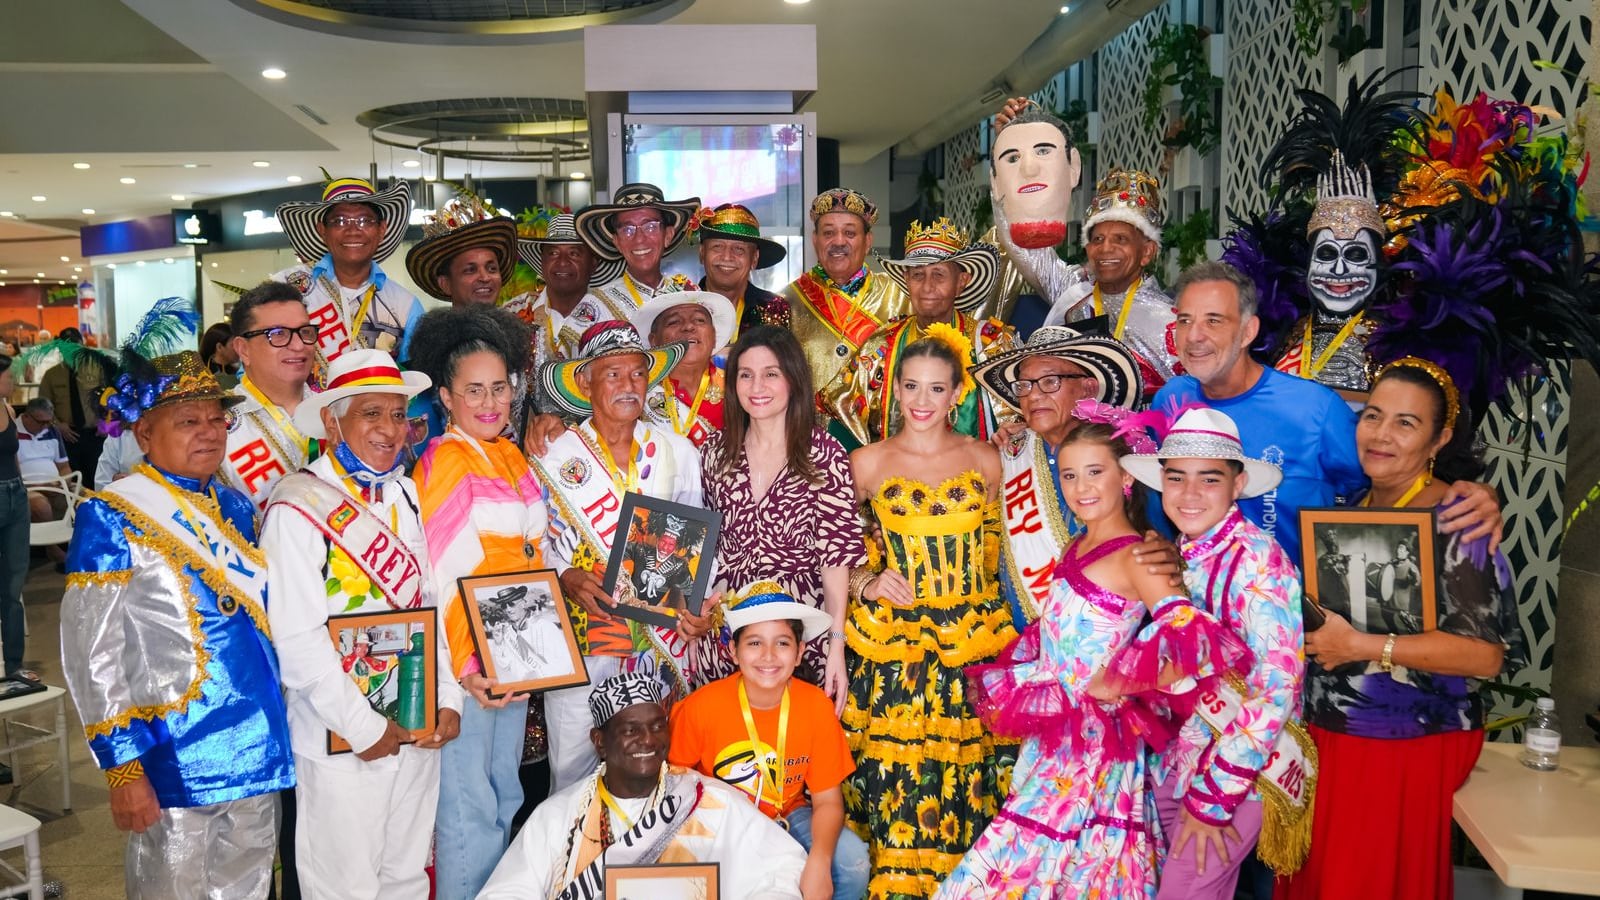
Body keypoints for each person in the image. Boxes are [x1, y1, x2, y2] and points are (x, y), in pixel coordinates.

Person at [937, 421, 1249, 898]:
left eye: (1094, 472)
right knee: (1056, 865)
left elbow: (1193, 641)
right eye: (1068, 476)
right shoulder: (1078, 542)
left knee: (1027, 867)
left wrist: (1118, 681)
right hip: (1056, 733)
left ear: (1125, 478)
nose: (1080, 488)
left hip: (1093, 745)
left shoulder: (1140, 556)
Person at [1281, 358, 1527, 900]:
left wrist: (1363, 646)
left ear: (1439, 439)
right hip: (1330, 735)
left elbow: (1484, 656)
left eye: (1405, 423)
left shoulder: (1459, 519)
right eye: (1373, 416)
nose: (1381, 435)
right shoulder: (1351, 507)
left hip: (1401, 742)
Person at [60, 349, 293, 899]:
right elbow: (91, 654)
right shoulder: (112, 514)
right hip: (172, 753)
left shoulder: (236, 507)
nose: (209, 433)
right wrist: (123, 768)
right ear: (144, 433)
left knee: (251, 888)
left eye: (218, 419)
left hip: (258, 744)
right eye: (189, 421)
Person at [261, 349, 464, 899]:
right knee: (343, 885)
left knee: (405, 875)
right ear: (332, 421)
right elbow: (297, 641)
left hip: (416, 726)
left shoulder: (407, 492)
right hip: (340, 736)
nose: (390, 429)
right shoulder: (297, 506)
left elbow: (431, 604)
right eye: (371, 413)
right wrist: (363, 726)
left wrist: (449, 697)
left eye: (399, 414)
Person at [1151, 260, 1500, 563]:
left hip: (1292, 616)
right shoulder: (1169, 401)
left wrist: (1468, 495)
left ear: (1248, 331)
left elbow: (1391, 478)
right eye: (1184, 320)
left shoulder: (1314, 409)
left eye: (1213, 321)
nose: (1194, 336)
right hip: (1189, 611)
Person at [842, 332, 1016, 898]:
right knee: (901, 789)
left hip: (975, 645)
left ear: (957, 393)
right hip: (894, 653)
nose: (922, 400)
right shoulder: (865, 463)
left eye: (936, 388)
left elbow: (998, 559)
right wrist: (868, 583)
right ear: (894, 390)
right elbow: (837, 555)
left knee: (969, 789)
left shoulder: (987, 459)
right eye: (912, 386)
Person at [1121, 407, 1312, 894]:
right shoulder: (1180, 550)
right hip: (1173, 758)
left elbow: (1276, 688)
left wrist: (1215, 798)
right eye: (1176, 478)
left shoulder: (1259, 559)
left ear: (1238, 483)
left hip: (1236, 775)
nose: (1188, 494)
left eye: (1208, 479)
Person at [529, 321, 706, 791]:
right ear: (585, 382)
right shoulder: (550, 452)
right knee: (571, 771)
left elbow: (698, 544)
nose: (628, 385)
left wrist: (696, 605)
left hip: (659, 641)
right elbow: (531, 541)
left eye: (637, 374)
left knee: (658, 767)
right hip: (582, 638)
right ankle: (571, 862)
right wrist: (565, 574)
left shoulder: (678, 452)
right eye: (612, 374)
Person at [408, 304, 543, 900]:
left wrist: (532, 654)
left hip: (517, 650)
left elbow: (531, 561)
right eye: (474, 391)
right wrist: (466, 669)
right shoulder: (444, 459)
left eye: (500, 388)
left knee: (504, 796)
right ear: (445, 396)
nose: (490, 403)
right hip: (473, 663)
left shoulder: (511, 456)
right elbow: (446, 574)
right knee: (468, 813)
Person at [478, 672, 807, 899]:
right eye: (630, 730)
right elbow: (506, 891)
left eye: (656, 726)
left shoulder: (706, 801)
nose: (648, 739)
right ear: (600, 742)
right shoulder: (558, 816)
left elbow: (783, 866)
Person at [669, 582, 871, 900]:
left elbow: (828, 801)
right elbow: (674, 793)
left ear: (800, 652)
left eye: (782, 643)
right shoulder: (700, 707)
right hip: (722, 822)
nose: (768, 656)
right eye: (754, 643)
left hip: (788, 815)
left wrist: (819, 862)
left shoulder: (815, 705)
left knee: (850, 862)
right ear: (733, 651)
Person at [696, 326, 864, 695]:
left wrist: (837, 644)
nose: (757, 387)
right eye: (746, 375)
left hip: (799, 632)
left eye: (771, 374)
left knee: (795, 746)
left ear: (793, 379)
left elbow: (835, 561)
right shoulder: (713, 452)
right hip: (728, 632)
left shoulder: (824, 453)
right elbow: (705, 546)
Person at [970, 326, 1144, 626]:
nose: (1034, 395)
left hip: (1097, 644)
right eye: (1025, 385)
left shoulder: (1119, 453)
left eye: (1050, 382)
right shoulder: (1010, 450)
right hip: (1016, 642)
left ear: (1088, 388)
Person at [825, 217, 1014, 450]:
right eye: (918, 275)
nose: (927, 287)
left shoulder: (991, 343)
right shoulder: (881, 344)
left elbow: (1019, 421)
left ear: (961, 281)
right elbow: (842, 422)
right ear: (906, 280)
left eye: (939, 275)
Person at [273, 177, 424, 386]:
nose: (353, 230)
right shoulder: (288, 288)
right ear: (322, 230)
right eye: (340, 221)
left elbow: (414, 381)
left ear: (382, 229)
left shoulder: (405, 306)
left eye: (364, 220)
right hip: (296, 416)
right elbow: (255, 364)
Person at [780, 188, 909, 393]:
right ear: (815, 240)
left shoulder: (901, 296)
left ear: (868, 241)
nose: (839, 242)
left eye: (849, 233)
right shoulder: (786, 302)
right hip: (808, 424)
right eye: (828, 233)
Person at [507, 212, 623, 420]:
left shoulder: (612, 318)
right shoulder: (513, 314)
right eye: (552, 253)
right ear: (541, 261)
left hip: (594, 442)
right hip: (526, 443)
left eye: (575, 253)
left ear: (593, 263)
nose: (562, 262)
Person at [563, 183, 702, 348]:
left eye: (650, 227)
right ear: (617, 242)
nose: (639, 239)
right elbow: (572, 367)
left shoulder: (689, 294)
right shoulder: (595, 305)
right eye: (628, 230)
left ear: (668, 235)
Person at [220, 280, 317, 510]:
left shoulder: (335, 410)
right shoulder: (215, 424)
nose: (298, 345)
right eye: (278, 334)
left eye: (305, 332)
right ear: (243, 349)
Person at [631, 290, 737, 446]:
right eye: (674, 322)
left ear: (714, 336)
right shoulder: (638, 391)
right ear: (653, 340)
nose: (688, 326)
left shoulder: (737, 388)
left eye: (700, 320)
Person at [695, 202, 792, 335]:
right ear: (702, 253)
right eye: (717, 246)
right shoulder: (681, 306)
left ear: (754, 258)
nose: (727, 257)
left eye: (739, 249)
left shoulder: (775, 308)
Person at [37, 327, 113, 487]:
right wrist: (58, 425)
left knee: (98, 479)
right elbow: (43, 406)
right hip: (67, 437)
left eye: (75, 346)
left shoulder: (97, 369)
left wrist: (107, 421)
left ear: (82, 345)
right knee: (73, 484)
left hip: (96, 435)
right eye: (67, 346)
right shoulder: (51, 375)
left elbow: (114, 397)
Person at [0, 357, 32, 683]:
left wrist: (21, 489)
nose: (11, 381)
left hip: (15, 496)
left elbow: (14, 459)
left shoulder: (8, 411)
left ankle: (14, 665)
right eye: (7, 376)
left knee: (13, 585)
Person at [200, 321, 240, 389]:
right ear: (219, 347)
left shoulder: (237, 372)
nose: (239, 348)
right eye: (234, 345)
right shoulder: (202, 376)